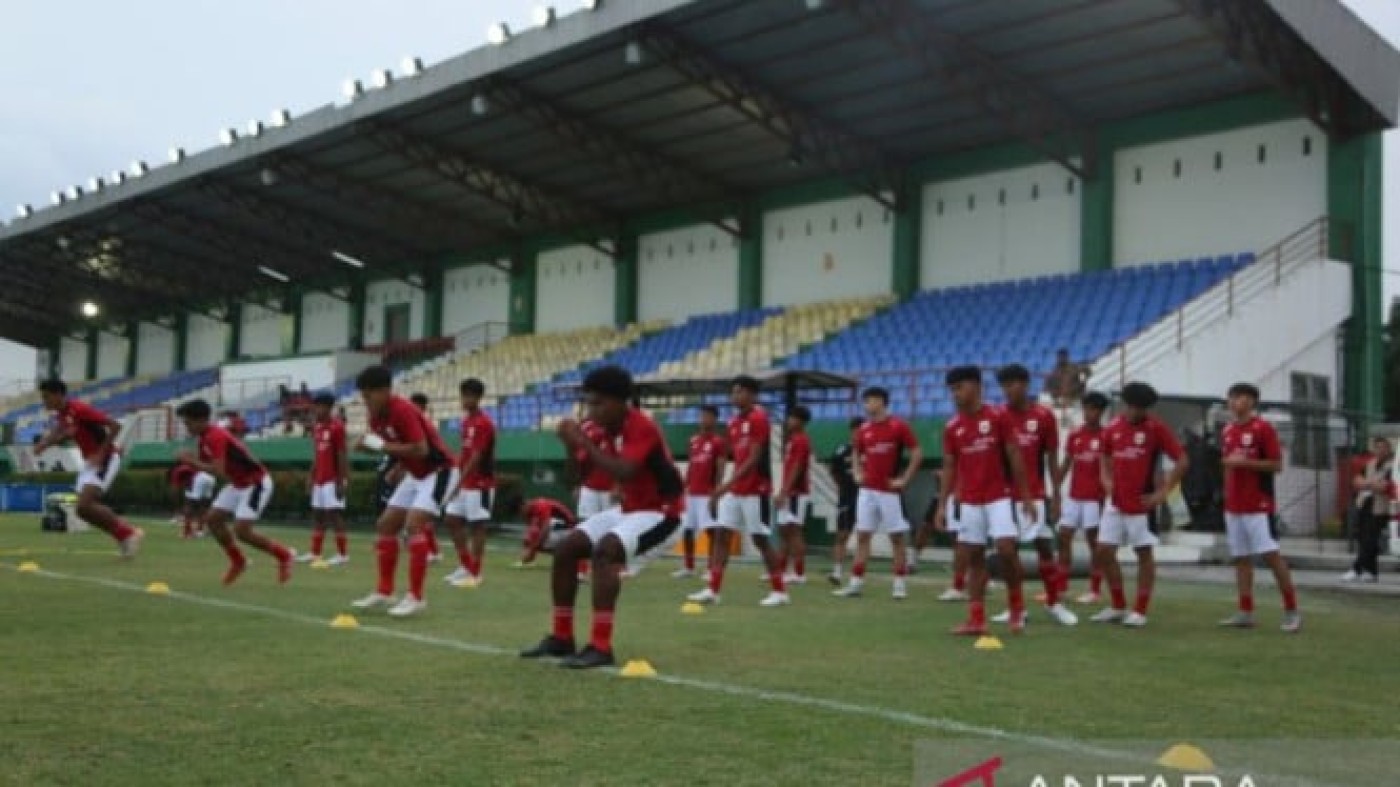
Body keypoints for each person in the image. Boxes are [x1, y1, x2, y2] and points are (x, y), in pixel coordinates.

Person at [520, 365, 683, 669]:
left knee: (605, 552)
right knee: (567, 548)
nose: (591, 410)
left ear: (621, 402)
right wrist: (571, 447)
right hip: (630, 509)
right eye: (588, 402)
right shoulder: (596, 429)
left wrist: (583, 442)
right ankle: (561, 637)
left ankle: (600, 646)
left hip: (664, 513)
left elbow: (625, 470)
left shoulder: (641, 427)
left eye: (598, 403)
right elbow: (574, 478)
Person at [934, 366, 1037, 635]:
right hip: (968, 500)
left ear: (977, 386)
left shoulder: (998, 416)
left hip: (999, 497)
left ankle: (1017, 608)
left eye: (960, 387)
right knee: (974, 557)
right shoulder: (952, 427)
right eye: (952, 390)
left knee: (1005, 550)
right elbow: (949, 467)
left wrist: (1026, 496)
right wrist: (942, 504)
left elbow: (1015, 456)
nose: (955, 394)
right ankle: (976, 619)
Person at [349, 366, 455, 618]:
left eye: (369, 396)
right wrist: (394, 463)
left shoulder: (403, 410)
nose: (366, 402)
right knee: (386, 525)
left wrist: (382, 447)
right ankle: (385, 592)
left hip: (439, 470)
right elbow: (396, 445)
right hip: (415, 474)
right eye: (363, 397)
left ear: (385, 391)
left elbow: (421, 450)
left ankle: (416, 598)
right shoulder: (375, 417)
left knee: (413, 525)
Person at [1090, 382, 1189, 628]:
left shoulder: (1156, 429)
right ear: (1125, 404)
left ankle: (1140, 610)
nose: (1136, 412)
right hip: (1115, 502)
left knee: (1143, 554)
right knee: (1103, 552)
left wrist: (1163, 492)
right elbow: (1104, 456)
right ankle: (1117, 605)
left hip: (1142, 504)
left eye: (1141, 408)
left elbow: (1183, 460)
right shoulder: (1112, 428)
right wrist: (1106, 479)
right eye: (1133, 406)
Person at [687, 376, 789, 607]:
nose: (735, 396)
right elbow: (740, 458)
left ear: (753, 395)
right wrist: (729, 487)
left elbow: (753, 458)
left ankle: (780, 591)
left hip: (756, 489)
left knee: (760, 540)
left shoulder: (759, 418)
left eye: (740, 391)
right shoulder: (733, 423)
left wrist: (724, 486)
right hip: (737, 489)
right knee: (723, 535)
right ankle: (713, 589)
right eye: (733, 392)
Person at [175, 399, 294, 585]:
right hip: (238, 483)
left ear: (201, 420)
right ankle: (239, 561)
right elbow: (210, 464)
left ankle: (284, 555)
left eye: (188, 422)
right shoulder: (205, 438)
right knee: (213, 520)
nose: (186, 426)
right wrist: (190, 465)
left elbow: (218, 471)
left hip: (256, 483)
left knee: (242, 531)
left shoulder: (215, 436)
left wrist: (190, 462)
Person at [994, 365, 1076, 627]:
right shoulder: (997, 416)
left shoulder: (1043, 416)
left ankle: (1054, 603)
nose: (1008, 390)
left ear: (1026, 385)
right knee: (1008, 552)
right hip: (1005, 496)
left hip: (1037, 494)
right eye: (1004, 386)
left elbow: (1052, 457)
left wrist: (1057, 496)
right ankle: (1016, 607)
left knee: (1044, 548)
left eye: (1013, 384)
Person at [1217, 383, 1301, 632]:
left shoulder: (1263, 429)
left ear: (1252, 402)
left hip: (1258, 504)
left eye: (1240, 398)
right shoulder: (1228, 430)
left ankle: (1292, 610)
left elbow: (1276, 465)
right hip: (1234, 505)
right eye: (1231, 397)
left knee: (1271, 555)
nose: (1234, 402)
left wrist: (1247, 463)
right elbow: (1227, 463)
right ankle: (1245, 611)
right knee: (1241, 558)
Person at [33, 379, 144, 556]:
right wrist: (45, 444)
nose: (44, 401)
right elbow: (60, 430)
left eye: (46, 397)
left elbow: (115, 426)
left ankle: (127, 534)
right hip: (90, 463)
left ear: (58, 395)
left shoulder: (79, 409)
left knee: (85, 505)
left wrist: (101, 453)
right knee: (83, 510)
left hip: (105, 458)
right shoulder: (63, 414)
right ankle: (125, 534)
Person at [833, 388, 922, 600]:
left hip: (889, 492)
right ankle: (856, 583)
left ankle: (899, 585)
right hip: (867, 491)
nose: (867, 405)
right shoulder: (864, 429)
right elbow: (856, 451)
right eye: (865, 401)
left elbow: (917, 452)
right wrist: (857, 472)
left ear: (882, 402)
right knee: (863, 535)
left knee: (896, 538)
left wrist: (905, 479)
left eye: (870, 400)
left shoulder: (898, 426)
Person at [1057, 392, 1110, 604]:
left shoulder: (1106, 436)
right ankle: (1061, 587)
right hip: (1074, 496)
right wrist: (1055, 489)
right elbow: (1067, 463)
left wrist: (1108, 495)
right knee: (1063, 537)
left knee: (1093, 542)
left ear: (1101, 412)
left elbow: (1110, 468)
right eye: (1086, 409)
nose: (1089, 414)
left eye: (1094, 409)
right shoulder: (1075, 435)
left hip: (1094, 498)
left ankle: (1094, 590)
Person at [443, 378, 497, 587]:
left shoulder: (484, 423)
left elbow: (476, 457)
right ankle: (465, 565)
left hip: (480, 483)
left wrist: (458, 482)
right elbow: (465, 454)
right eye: (463, 395)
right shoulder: (466, 422)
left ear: (478, 398)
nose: (465, 400)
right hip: (466, 482)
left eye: (469, 396)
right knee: (451, 519)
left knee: (477, 526)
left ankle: (475, 573)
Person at [298, 393, 350, 566]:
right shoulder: (318, 427)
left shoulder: (337, 427)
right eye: (315, 406)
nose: (316, 410)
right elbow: (318, 455)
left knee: (334, 516)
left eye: (319, 407)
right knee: (318, 515)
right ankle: (315, 553)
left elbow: (341, 455)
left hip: (332, 479)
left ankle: (343, 555)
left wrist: (341, 481)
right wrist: (310, 476)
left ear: (328, 408)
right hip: (319, 478)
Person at [675, 405, 726, 579]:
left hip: (707, 493)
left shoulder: (718, 442)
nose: (703, 419)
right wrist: (684, 485)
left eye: (707, 416)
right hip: (692, 493)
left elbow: (720, 468)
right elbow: (691, 465)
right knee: (687, 530)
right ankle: (688, 567)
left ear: (714, 419)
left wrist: (717, 491)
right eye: (701, 416)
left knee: (711, 531)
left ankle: (711, 568)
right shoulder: (693, 440)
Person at [1344, 436, 1393, 583]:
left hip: (1381, 507)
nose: (1380, 450)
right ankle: (1371, 572)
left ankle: (1357, 569)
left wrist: (1368, 483)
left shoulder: (1391, 466)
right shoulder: (1370, 464)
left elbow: (1385, 486)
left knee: (1370, 539)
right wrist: (1371, 483)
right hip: (1365, 503)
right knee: (1362, 537)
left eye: (1383, 447)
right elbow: (1356, 481)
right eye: (1377, 447)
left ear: (1388, 449)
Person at [775, 405, 813, 585]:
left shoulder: (801, 441)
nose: (789, 421)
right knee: (784, 531)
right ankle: (781, 571)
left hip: (797, 492)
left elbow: (797, 467)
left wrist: (784, 492)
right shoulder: (792, 440)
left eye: (793, 418)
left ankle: (799, 573)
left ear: (801, 422)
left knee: (795, 531)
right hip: (789, 492)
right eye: (789, 417)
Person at [827, 417, 863, 586]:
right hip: (847, 497)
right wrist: (841, 486)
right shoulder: (842, 450)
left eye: (861, 430)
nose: (858, 434)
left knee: (864, 536)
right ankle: (837, 571)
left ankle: (858, 574)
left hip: (865, 497)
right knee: (842, 534)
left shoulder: (869, 450)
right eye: (855, 430)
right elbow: (833, 470)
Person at [409, 393, 443, 563]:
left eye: (415, 406)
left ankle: (432, 552)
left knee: (422, 518)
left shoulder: (426, 426)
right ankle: (432, 551)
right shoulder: (413, 425)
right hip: (419, 475)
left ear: (422, 407)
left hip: (432, 474)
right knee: (421, 518)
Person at [517, 497, 578, 567]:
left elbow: (545, 530)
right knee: (532, 537)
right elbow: (529, 537)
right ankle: (565, 556)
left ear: (523, 505)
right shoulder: (532, 510)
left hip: (570, 530)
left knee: (538, 537)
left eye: (520, 511)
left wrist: (532, 551)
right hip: (561, 529)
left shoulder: (540, 505)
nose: (521, 514)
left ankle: (567, 556)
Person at [170, 459, 214, 539]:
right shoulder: (187, 468)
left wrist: (177, 509)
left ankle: (187, 532)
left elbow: (175, 490)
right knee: (204, 506)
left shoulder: (176, 473)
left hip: (198, 480)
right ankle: (200, 531)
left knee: (189, 505)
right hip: (209, 478)